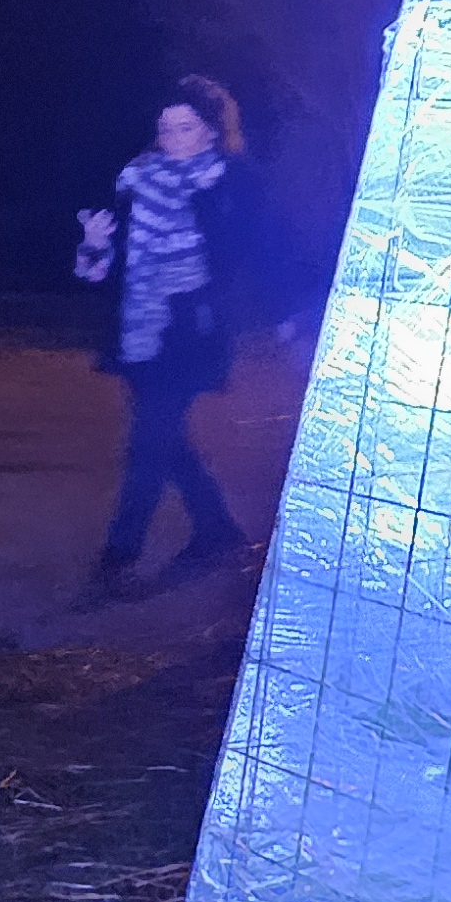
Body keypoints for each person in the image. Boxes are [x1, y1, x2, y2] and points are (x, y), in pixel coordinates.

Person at [72, 77, 255, 598]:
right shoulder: (136, 180)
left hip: (188, 332)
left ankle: (117, 560)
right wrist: (93, 244)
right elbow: (101, 269)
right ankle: (217, 532)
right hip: (138, 329)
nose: (173, 138)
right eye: (166, 128)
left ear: (211, 131)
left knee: (147, 446)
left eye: (186, 128)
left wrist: (285, 312)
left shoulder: (228, 184)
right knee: (166, 441)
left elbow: (241, 262)